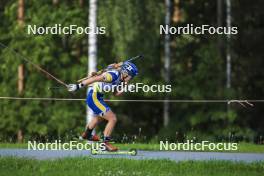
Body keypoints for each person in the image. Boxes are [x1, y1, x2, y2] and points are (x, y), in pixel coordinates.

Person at [67, 61, 138, 151]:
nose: (131, 79)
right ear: (125, 73)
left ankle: (87, 134)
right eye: (131, 76)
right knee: (112, 118)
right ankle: (105, 144)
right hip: (94, 97)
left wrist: (126, 88)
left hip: (98, 97)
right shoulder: (113, 76)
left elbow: (115, 93)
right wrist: (78, 86)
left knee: (101, 117)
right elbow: (95, 78)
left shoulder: (120, 80)